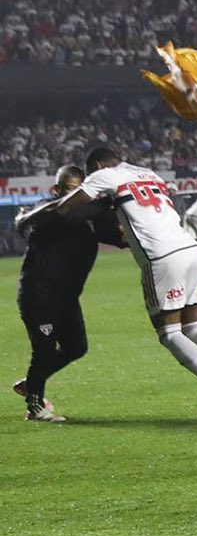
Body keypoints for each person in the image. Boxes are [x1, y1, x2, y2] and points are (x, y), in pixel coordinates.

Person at [61, 145, 197, 420]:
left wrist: (43, 212)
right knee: (194, 326)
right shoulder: (147, 173)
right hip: (190, 249)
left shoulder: (103, 175)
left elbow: (69, 205)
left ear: (96, 165)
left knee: (169, 333)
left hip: (161, 257)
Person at [14, 165, 126, 422]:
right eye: (71, 191)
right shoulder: (47, 209)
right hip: (39, 293)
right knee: (43, 350)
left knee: (76, 347)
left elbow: (116, 235)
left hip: (67, 297)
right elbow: (68, 214)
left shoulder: (90, 215)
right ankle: (34, 406)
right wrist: (105, 201)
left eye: (80, 192)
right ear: (56, 190)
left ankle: (31, 382)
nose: (76, 197)